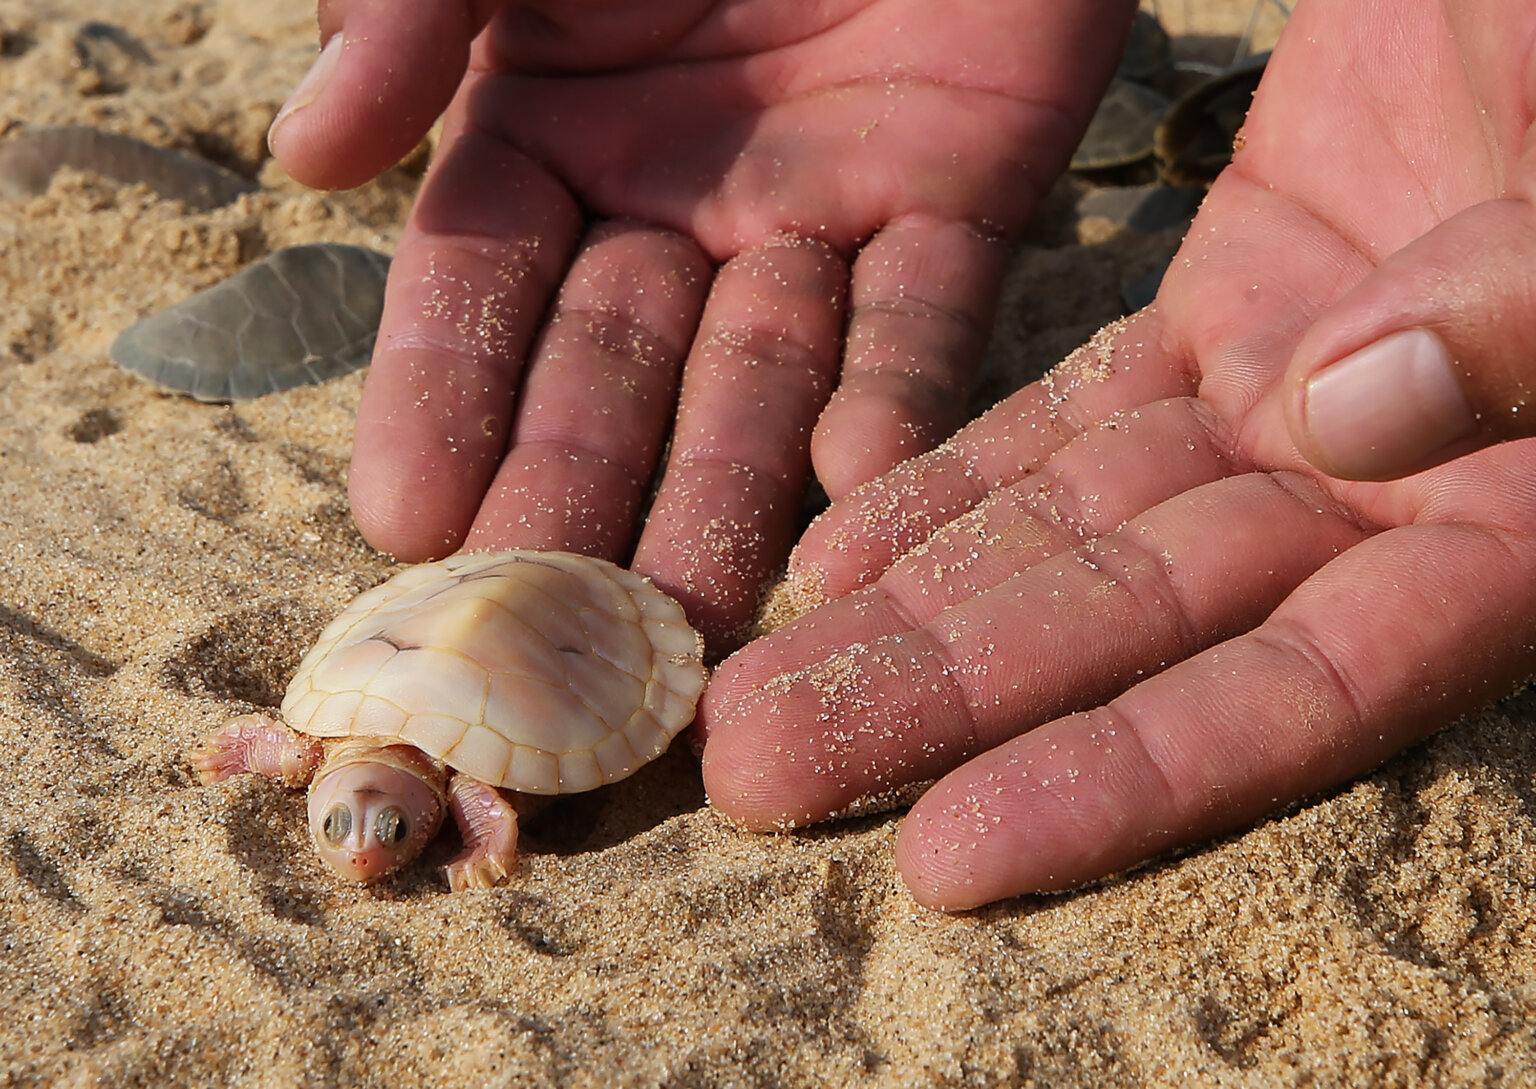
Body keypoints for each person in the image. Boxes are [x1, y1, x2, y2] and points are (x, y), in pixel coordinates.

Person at [271, 0, 1536, 910]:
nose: (370, 844)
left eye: (367, 823)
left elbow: (472, 793)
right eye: (362, 831)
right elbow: (306, 745)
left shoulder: (421, 778)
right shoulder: (327, 739)